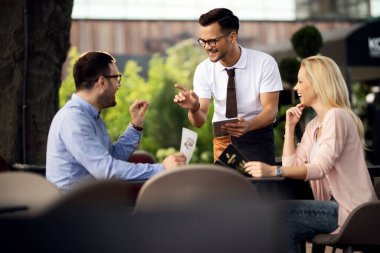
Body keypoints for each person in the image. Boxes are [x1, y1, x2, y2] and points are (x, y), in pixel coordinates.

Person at [244, 55, 377, 253]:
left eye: (300, 81)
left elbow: (319, 169)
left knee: (281, 212)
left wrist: (273, 171)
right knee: (286, 228)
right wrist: (289, 129)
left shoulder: (337, 116)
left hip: (353, 211)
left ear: (317, 83)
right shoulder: (314, 125)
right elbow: (294, 164)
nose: (295, 88)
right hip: (331, 209)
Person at [46, 51, 186, 192]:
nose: (119, 85)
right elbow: (107, 170)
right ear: (101, 82)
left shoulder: (92, 117)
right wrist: (162, 168)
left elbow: (111, 159)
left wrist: (135, 127)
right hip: (72, 210)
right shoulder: (73, 119)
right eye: (116, 78)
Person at [173, 8, 282, 163]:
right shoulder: (203, 70)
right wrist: (194, 108)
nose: (207, 47)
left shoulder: (264, 63)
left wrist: (248, 125)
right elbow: (199, 121)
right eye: (203, 42)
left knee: (259, 186)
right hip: (223, 140)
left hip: (257, 137)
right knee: (224, 186)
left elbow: (270, 111)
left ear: (232, 37)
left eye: (212, 41)